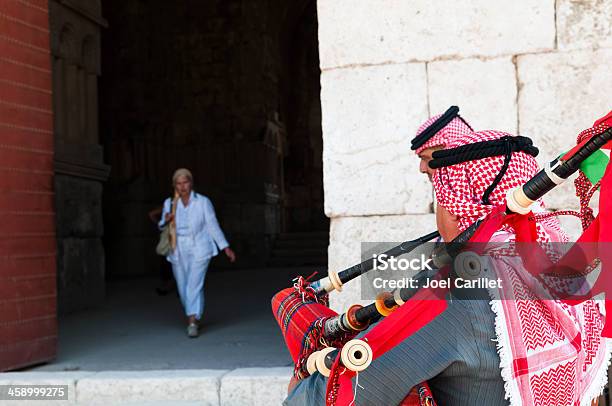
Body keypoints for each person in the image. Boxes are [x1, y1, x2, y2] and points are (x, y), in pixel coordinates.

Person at [284, 110, 608, 405]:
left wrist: (302, 387)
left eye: (438, 193)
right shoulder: (558, 251)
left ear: (456, 205)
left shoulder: (461, 291)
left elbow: (360, 388)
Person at [159, 168, 236, 338]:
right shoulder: (170, 203)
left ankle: (192, 321)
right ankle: (194, 313)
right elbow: (161, 225)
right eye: (178, 183)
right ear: (174, 185)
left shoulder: (202, 202)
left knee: (194, 283)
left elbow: (212, 225)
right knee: (183, 285)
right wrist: (165, 220)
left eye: (185, 182)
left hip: (200, 247)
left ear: (191, 183)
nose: (182, 186)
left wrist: (225, 247)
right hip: (178, 248)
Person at [149, 206, 175, 295]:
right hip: (165, 249)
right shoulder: (164, 224)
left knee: (173, 269)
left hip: (175, 248)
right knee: (166, 268)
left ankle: (169, 287)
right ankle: (167, 287)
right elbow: (152, 214)